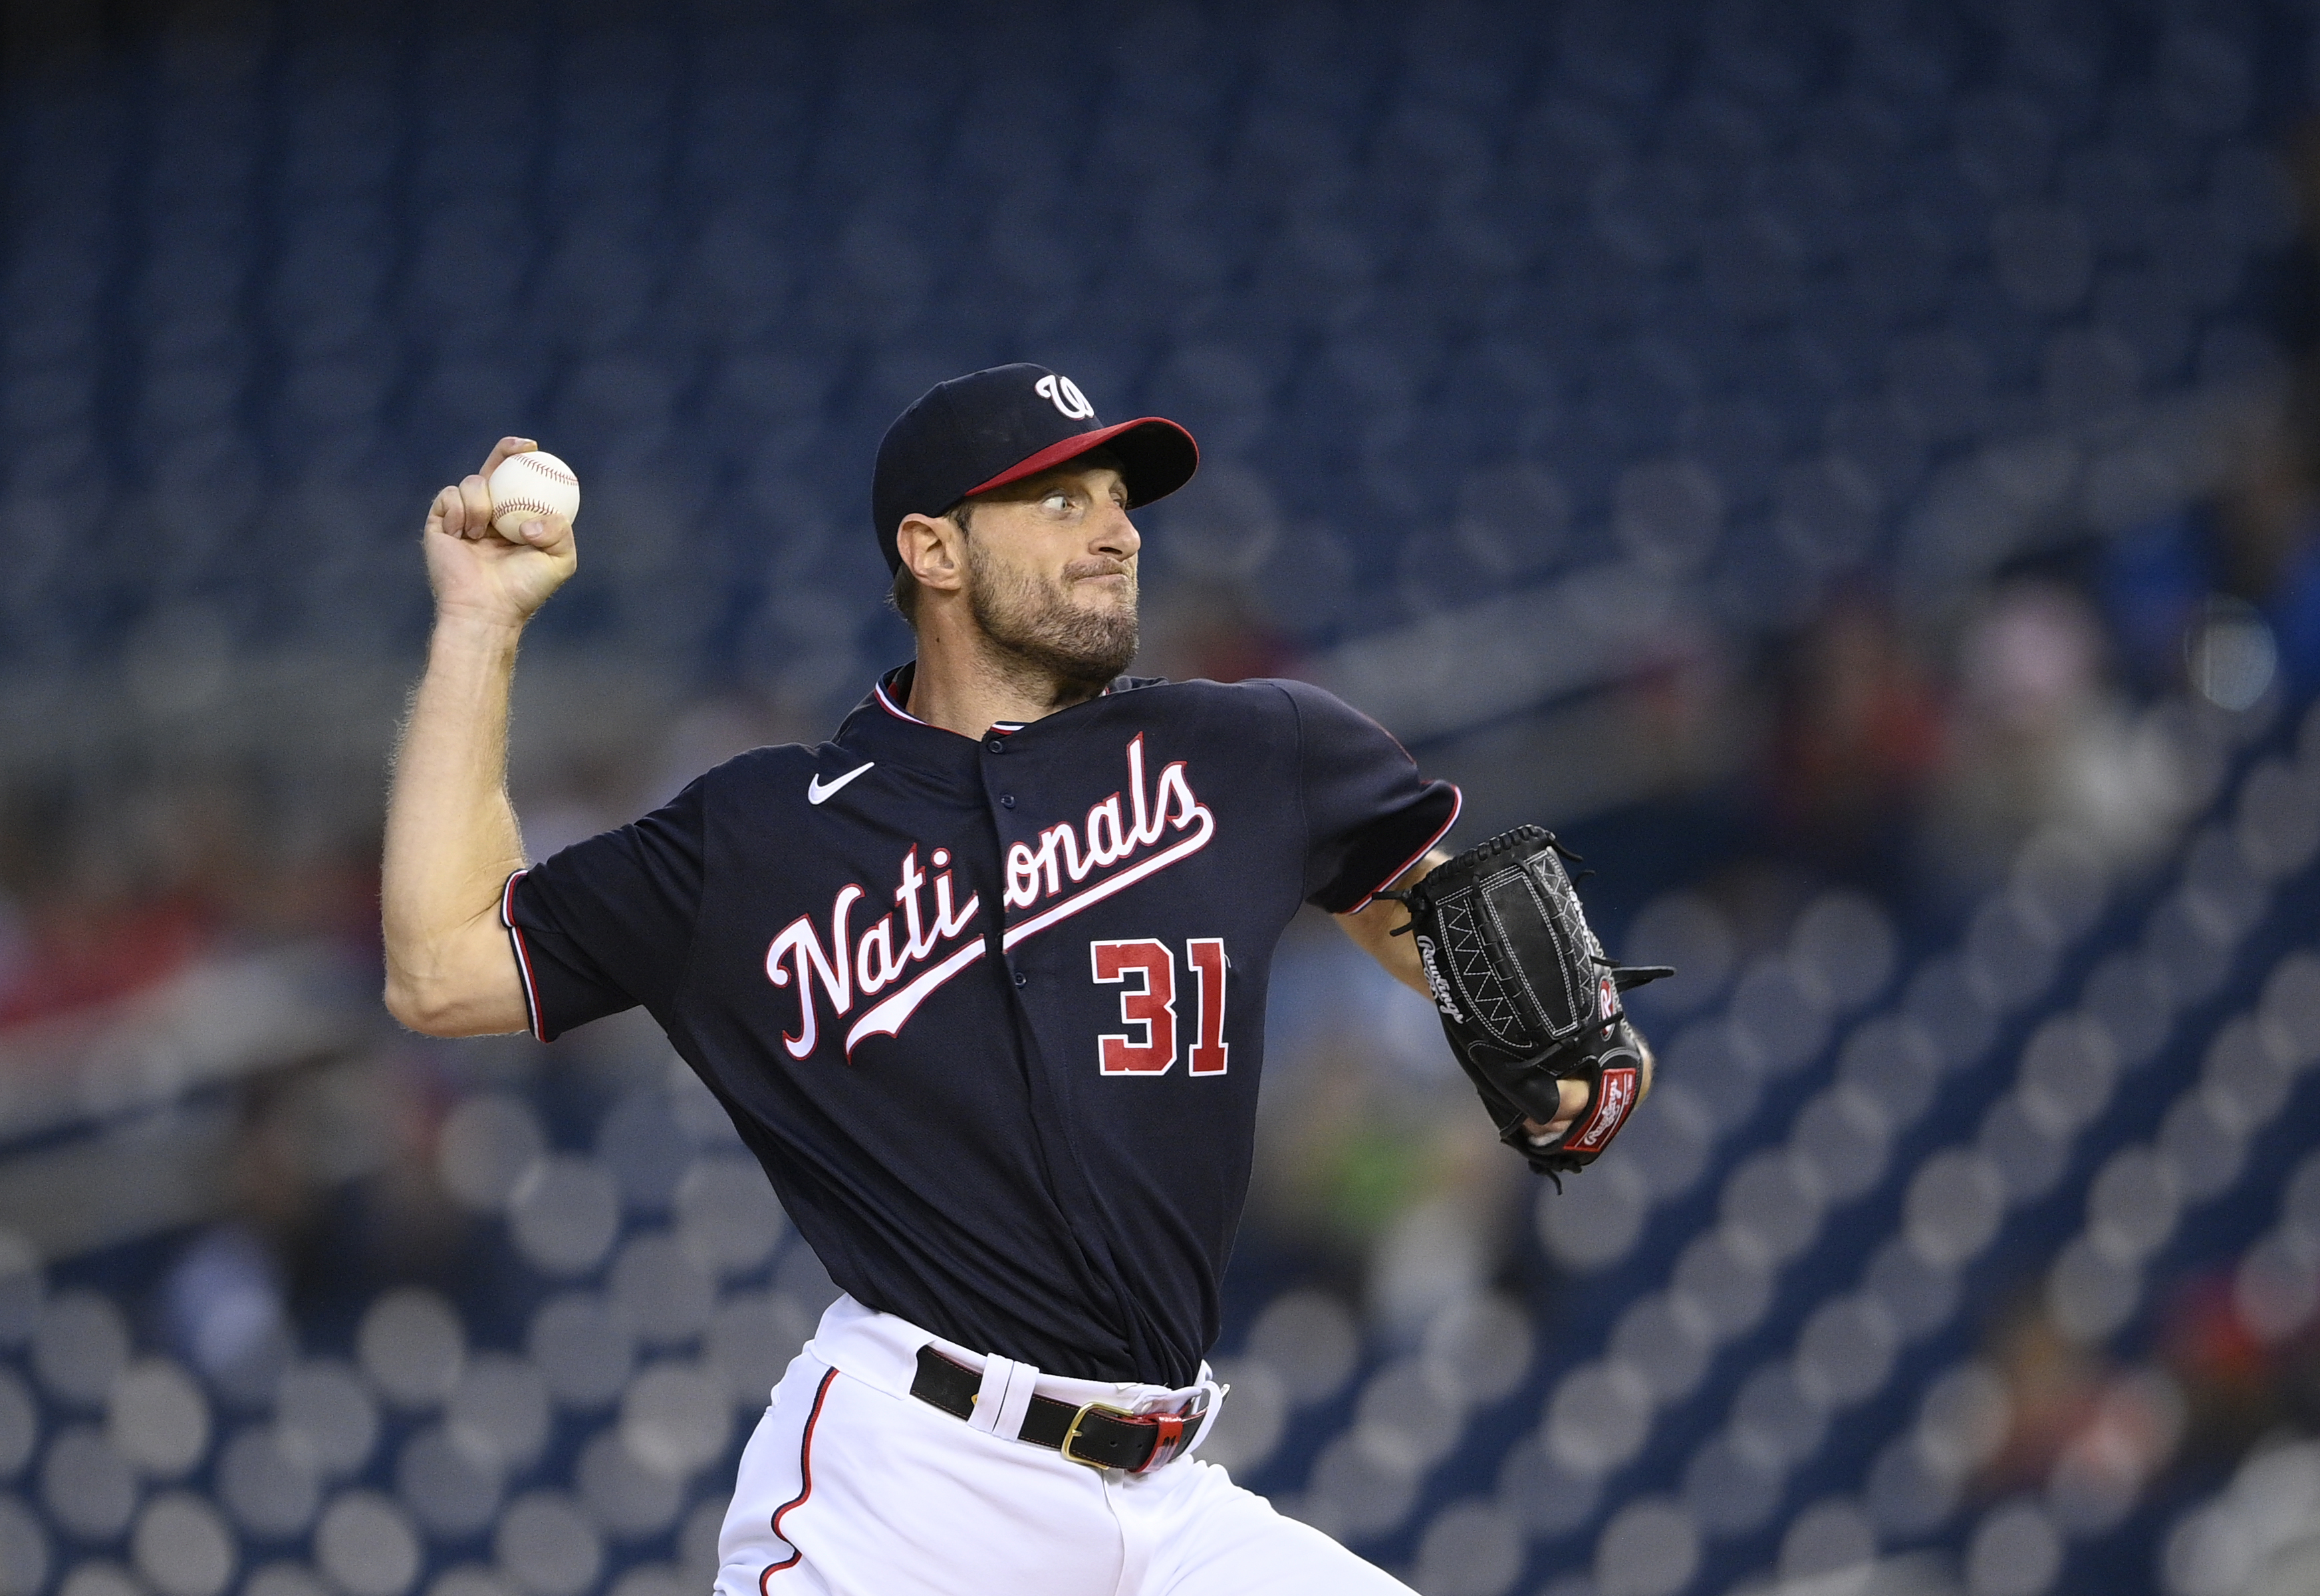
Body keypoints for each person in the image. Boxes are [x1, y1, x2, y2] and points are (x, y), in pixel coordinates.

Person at [380, 364, 1592, 1594]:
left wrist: (1560, 1045)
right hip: (911, 1492)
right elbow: (442, 969)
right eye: (1060, 502)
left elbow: (1425, 901)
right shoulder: (762, 837)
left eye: (1120, 499)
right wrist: (481, 624)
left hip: (1171, 1501)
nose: (1119, 532)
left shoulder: (1250, 750)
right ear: (933, 550)